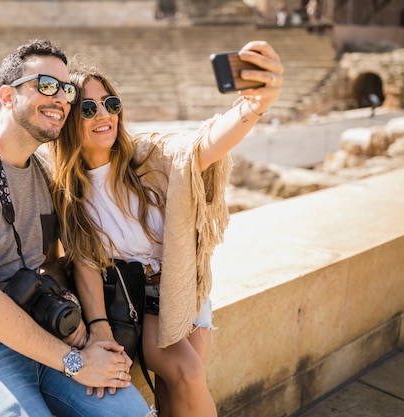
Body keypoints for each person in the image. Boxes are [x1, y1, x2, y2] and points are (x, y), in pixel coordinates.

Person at [0, 39, 154, 417]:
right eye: (45, 85)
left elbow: (55, 264)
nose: (61, 98)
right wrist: (75, 362)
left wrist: (82, 327)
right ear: (7, 96)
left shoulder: (41, 173)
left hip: (43, 336)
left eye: (66, 89)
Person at [50, 41, 283, 417]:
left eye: (110, 104)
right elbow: (84, 262)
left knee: (176, 396)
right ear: (70, 120)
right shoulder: (67, 191)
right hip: (136, 302)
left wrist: (253, 107)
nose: (103, 115)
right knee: (188, 373)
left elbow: (200, 149)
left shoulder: (148, 158)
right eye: (87, 109)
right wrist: (99, 328)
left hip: (182, 289)